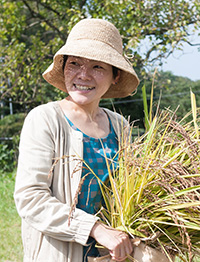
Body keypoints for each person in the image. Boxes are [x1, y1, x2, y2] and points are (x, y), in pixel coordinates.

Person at [14, 18, 139, 262]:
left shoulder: (120, 126)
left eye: (97, 67)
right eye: (74, 64)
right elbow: (31, 199)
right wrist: (96, 229)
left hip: (112, 256)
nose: (83, 75)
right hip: (60, 254)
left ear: (115, 76)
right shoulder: (45, 119)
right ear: (63, 69)